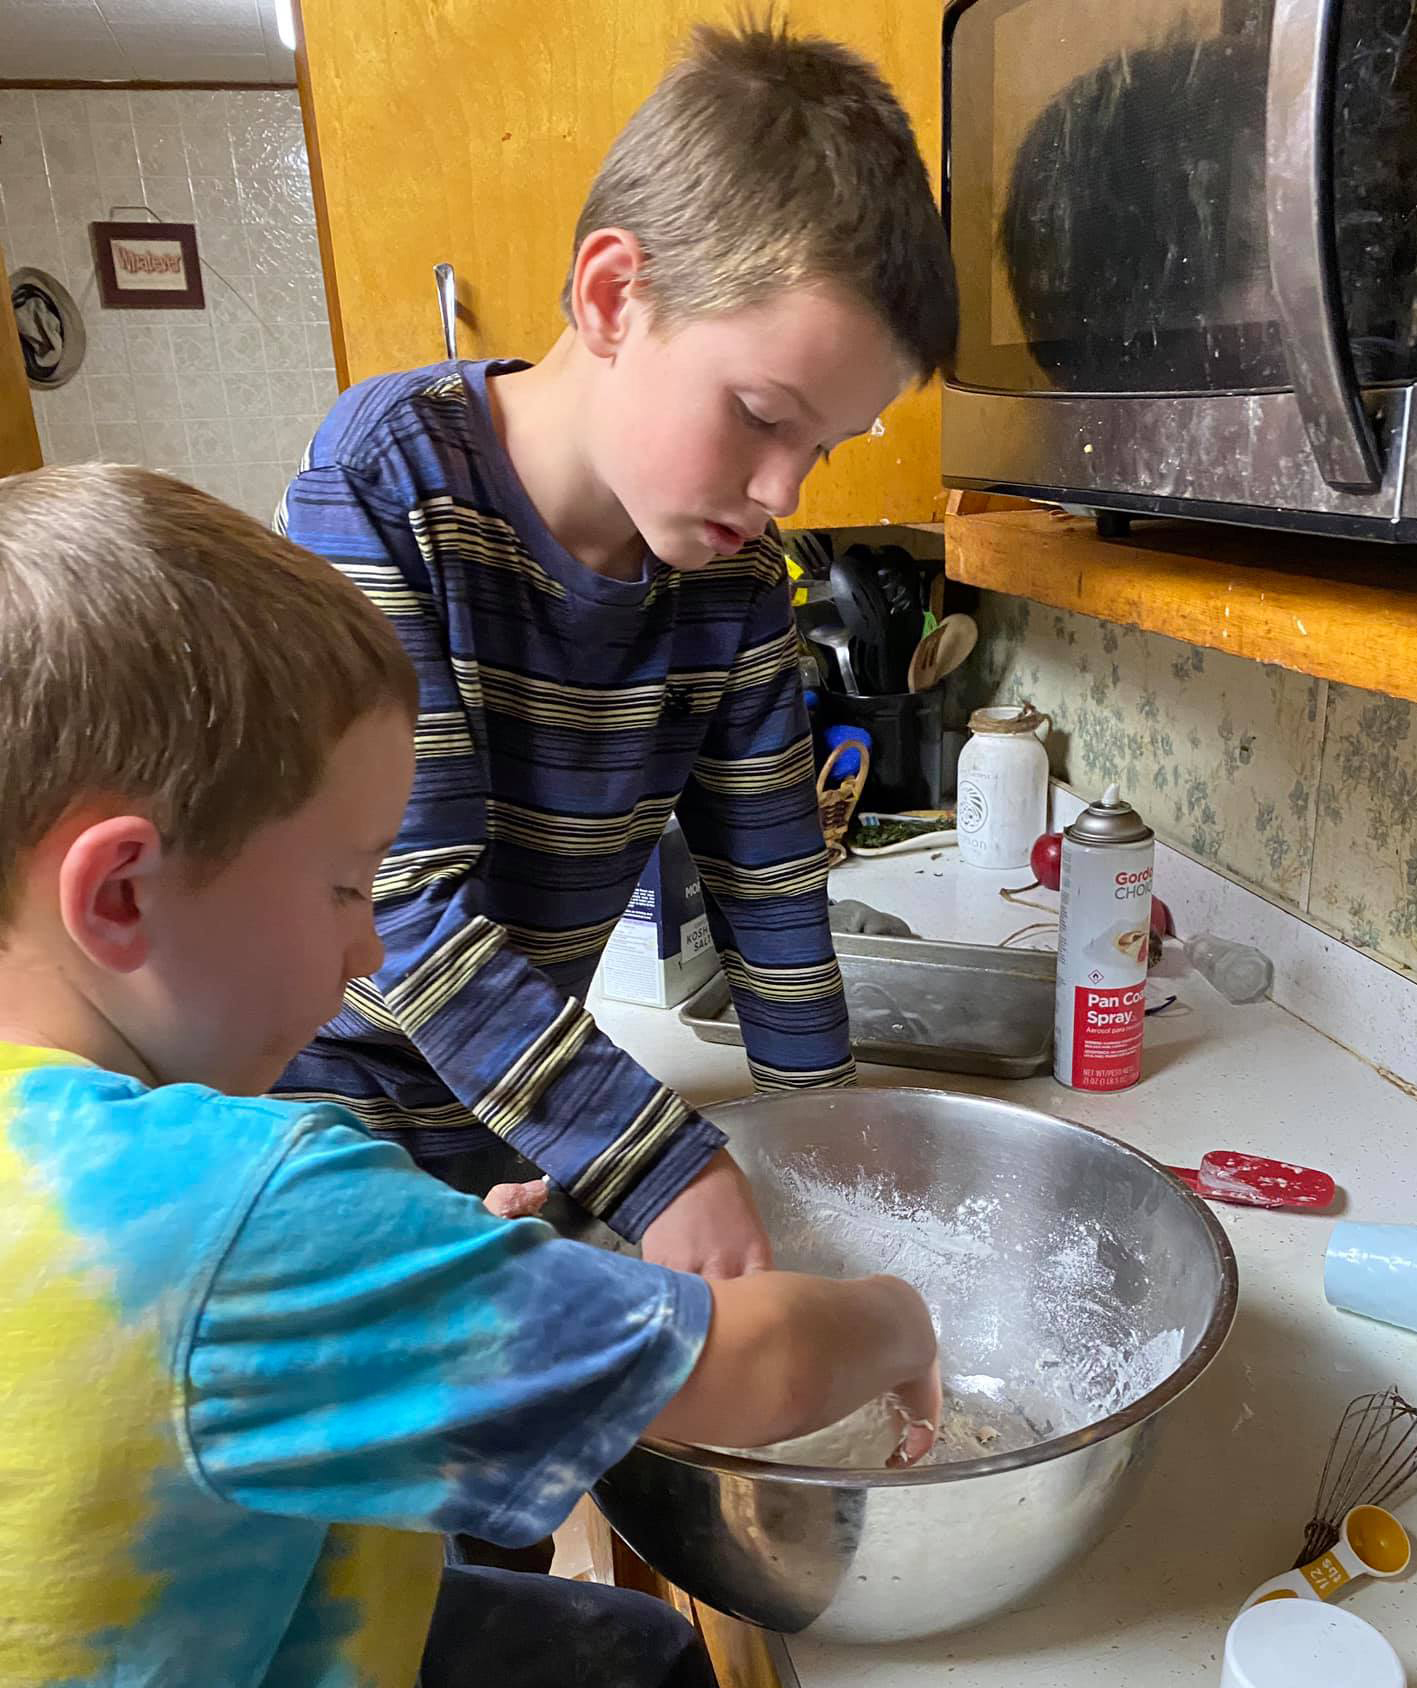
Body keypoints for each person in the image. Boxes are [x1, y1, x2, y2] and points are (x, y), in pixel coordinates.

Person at [0, 464, 941, 1688]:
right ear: (121, 892)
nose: (370, 944)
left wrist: (423, 1266)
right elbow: (747, 1372)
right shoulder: (248, 1212)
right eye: (348, 882)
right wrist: (896, 1315)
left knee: (634, 1647)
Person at [274, 17, 959, 1275]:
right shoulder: (383, 492)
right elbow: (395, 905)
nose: (782, 489)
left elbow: (767, 881)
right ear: (610, 296)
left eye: (821, 446)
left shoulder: (737, 580)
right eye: (761, 416)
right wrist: (655, 1158)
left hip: (519, 1130)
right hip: (316, 1135)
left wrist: (829, 1141)